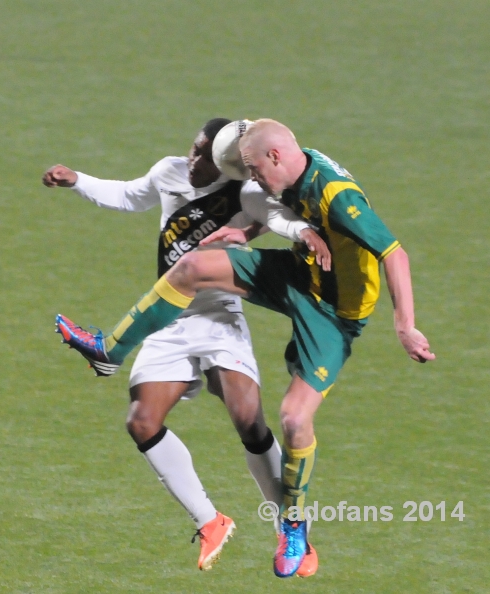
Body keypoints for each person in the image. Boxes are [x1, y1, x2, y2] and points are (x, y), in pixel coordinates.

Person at [56, 118, 434, 578]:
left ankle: (293, 526)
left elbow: (394, 253)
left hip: (336, 314)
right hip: (299, 274)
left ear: (275, 157)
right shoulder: (290, 166)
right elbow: (278, 211)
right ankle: (109, 350)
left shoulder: (337, 196)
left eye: (253, 170)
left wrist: (405, 327)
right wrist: (247, 234)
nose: (250, 180)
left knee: (294, 420)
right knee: (192, 266)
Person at [47, 118, 327, 575]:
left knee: (248, 420)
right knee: (141, 421)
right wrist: (78, 180)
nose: (192, 160)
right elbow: (128, 194)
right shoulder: (169, 171)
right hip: (167, 314)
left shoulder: (244, 192)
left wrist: (304, 233)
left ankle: (293, 530)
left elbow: (278, 218)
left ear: (227, 164)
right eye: (193, 150)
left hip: (219, 313)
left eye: (203, 156)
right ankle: (210, 520)